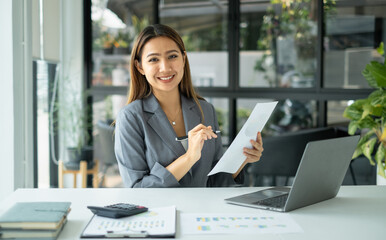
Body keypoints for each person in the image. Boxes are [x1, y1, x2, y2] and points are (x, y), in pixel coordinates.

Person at [114, 24, 263, 188]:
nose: (165, 67)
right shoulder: (131, 117)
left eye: (172, 56)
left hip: (201, 211)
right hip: (159, 212)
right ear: (140, 67)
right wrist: (189, 158)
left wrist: (242, 159)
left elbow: (214, 183)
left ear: (183, 59)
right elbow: (136, 189)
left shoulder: (205, 110)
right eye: (154, 59)